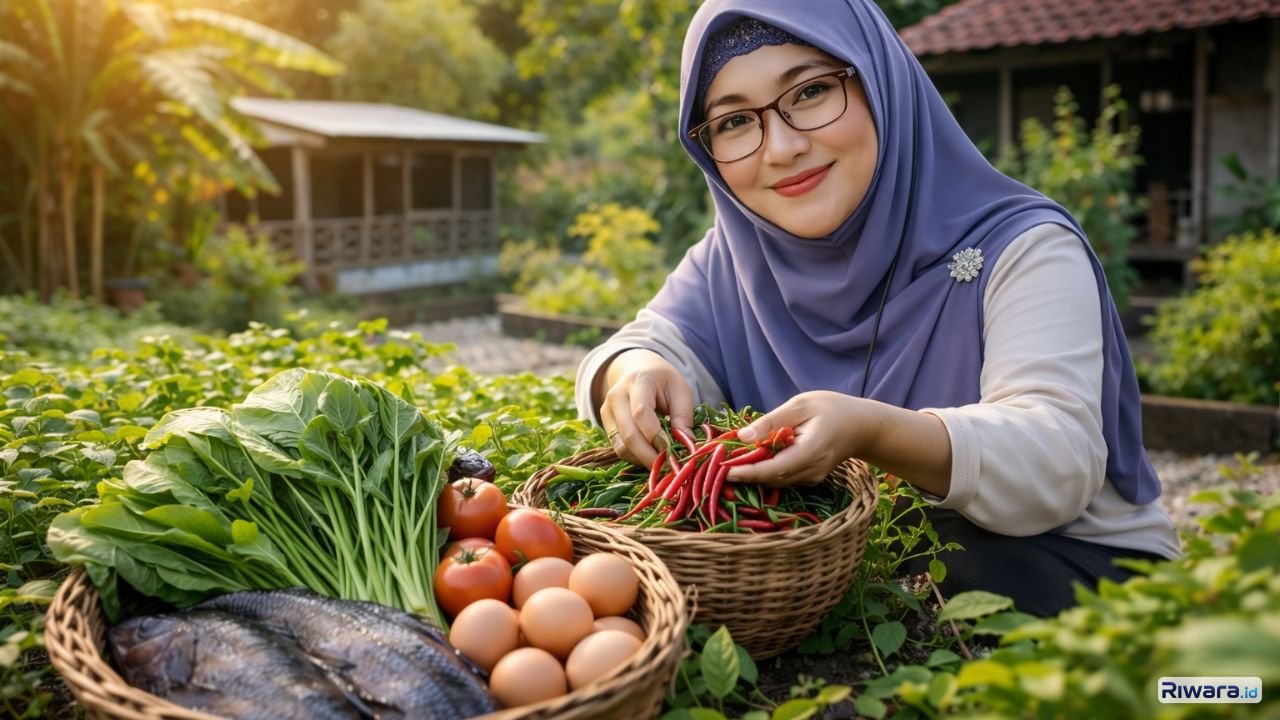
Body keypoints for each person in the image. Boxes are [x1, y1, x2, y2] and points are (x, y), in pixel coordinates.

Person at [574, 0, 1179, 617]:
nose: (780, 147)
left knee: (943, 564)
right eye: (733, 123)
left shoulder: (1022, 248)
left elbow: (1058, 458)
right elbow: (643, 345)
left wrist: (874, 432)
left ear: (878, 83)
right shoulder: (734, 259)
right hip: (866, 574)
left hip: (1075, 569)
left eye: (809, 91)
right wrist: (632, 374)